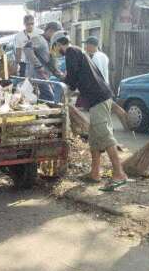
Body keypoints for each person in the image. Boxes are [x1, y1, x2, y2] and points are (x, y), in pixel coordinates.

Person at [51, 31, 128, 191]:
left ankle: (119, 173)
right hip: (98, 98)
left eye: (55, 47)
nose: (56, 51)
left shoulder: (71, 52)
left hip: (98, 98)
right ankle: (94, 173)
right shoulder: (78, 51)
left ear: (59, 44)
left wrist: (63, 80)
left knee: (105, 136)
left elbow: (72, 80)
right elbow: (78, 77)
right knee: (94, 138)